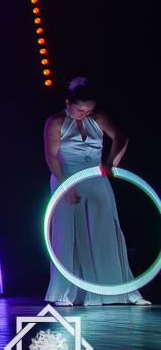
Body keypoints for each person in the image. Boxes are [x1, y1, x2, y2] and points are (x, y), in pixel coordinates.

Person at [43, 78, 150, 306]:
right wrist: (66, 185)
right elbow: (51, 156)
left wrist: (111, 164)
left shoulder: (98, 117)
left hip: (95, 177)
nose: (84, 115)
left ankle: (120, 291)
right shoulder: (56, 121)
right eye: (80, 110)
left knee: (105, 232)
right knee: (67, 235)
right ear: (68, 102)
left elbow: (121, 137)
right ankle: (64, 294)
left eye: (89, 111)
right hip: (67, 178)